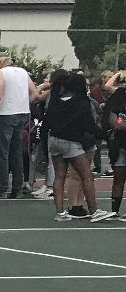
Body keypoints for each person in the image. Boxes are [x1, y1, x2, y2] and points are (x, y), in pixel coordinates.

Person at [43, 70, 101, 220]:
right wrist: (105, 135)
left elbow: (46, 125)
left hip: (54, 140)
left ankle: (60, 212)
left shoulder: (55, 101)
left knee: (59, 176)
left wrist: (45, 145)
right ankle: (94, 211)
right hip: (71, 142)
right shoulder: (81, 102)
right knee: (86, 176)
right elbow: (90, 126)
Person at [0, 54, 33, 197]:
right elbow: (34, 93)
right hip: (22, 113)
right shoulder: (23, 72)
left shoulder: (1, 73)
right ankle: (17, 187)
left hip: (6, 113)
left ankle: (2, 187)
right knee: (17, 152)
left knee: (2, 152)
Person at [102, 71, 126, 220]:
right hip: (120, 143)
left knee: (118, 179)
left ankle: (115, 210)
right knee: (118, 177)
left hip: (120, 141)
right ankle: (115, 210)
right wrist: (120, 124)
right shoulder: (119, 96)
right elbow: (114, 122)